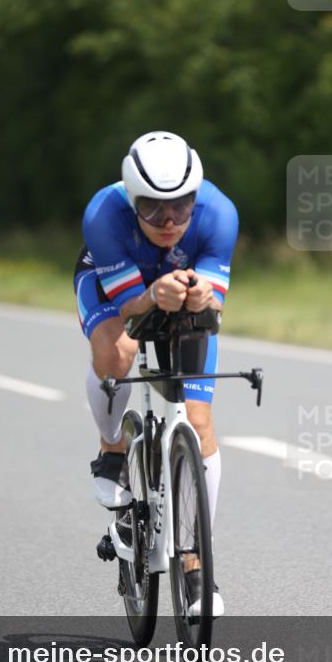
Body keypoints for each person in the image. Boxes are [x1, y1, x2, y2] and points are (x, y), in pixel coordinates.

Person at [74, 131, 239, 616]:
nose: (169, 221)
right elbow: (129, 311)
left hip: (177, 290)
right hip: (113, 285)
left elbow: (212, 310)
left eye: (181, 207)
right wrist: (150, 297)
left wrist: (205, 297)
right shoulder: (104, 214)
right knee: (118, 351)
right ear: (131, 197)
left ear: (197, 198)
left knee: (200, 421)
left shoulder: (220, 215)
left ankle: (195, 566)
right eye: (152, 208)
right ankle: (112, 448)